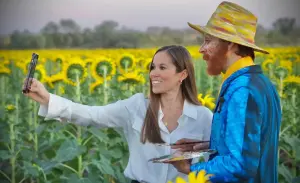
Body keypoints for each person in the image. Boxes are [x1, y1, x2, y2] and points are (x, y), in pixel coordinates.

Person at [23, 45, 213, 183]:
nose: (153, 73)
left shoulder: (204, 117)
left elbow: (222, 162)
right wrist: (48, 99)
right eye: (152, 67)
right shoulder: (137, 106)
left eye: (162, 68)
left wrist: (192, 168)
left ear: (183, 74)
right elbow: (93, 115)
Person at [169, 1, 282, 183]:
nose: (201, 49)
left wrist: (191, 168)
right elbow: (252, 145)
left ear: (229, 44)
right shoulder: (261, 83)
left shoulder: (242, 90)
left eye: (208, 41)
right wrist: (207, 146)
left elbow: (240, 165)